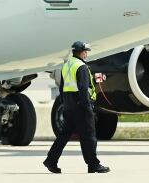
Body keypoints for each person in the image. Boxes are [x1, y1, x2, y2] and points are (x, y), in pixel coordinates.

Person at [44, 41, 110, 174]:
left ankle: (51, 160)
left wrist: (65, 103)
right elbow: (83, 88)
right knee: (89, 136)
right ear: (81, 52)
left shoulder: (67, 65)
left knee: (64, 135)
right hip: (81, 105)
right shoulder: (81, 67)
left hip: (68, 104)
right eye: (86, 51)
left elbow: (62, 88)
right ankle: (93, 165)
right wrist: (87, 108)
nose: (87, 54)